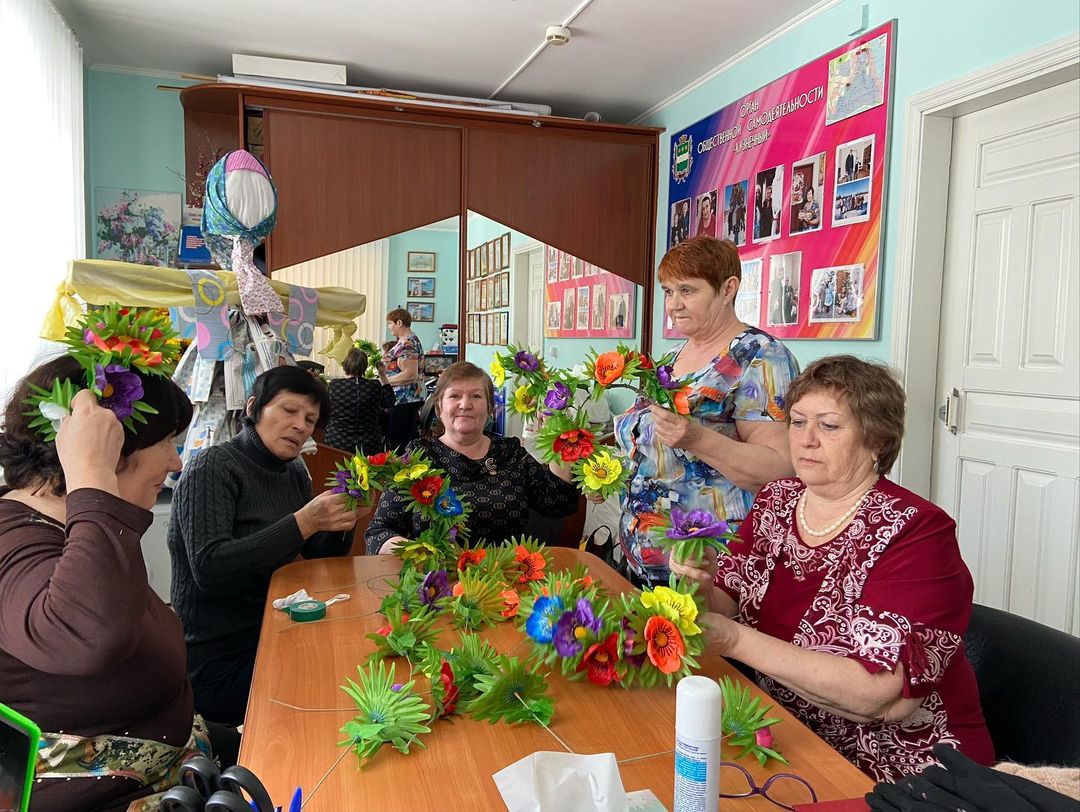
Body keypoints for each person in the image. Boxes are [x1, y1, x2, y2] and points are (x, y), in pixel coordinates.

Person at [672, 356, 994, 783]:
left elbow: (878, 695)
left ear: (876, 439)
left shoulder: (918, 532)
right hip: (789, 735)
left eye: (828, 426)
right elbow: (726, 601)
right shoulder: (777, 500)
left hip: (904, 769)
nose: (805, 440)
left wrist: (732, 639)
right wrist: (698, 582)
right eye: (798, 422)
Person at [0, 355, 235, 811]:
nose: (175, 460)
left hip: (181, 765)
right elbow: (86, 634)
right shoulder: (13, 541)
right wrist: (91, 476)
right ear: (114, 446)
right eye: (167, 441)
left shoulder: (76, 526)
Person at [168, 366, 359, 726]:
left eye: (310, 419)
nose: (301, 426)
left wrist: (339, 523)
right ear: (254, 407)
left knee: (353, 656)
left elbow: (315, 558)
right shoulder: (213, 467)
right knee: (332, 689)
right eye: (289, 410)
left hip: (274, 634)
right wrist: (305, 521)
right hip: (216, 661)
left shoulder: (294, 473)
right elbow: (210, 567)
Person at [614, 236, 799, 585]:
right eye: (669, 292)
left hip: (708, 570)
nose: (673, 305)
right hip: (643, 564)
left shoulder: (759, 356)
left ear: (728, 289)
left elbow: (781, 470)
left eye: (688, 290)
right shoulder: (671, 361)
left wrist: (697, 438)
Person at [366, 361, 578, 553]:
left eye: (476, 396)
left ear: (490, 408)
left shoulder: (511, 454)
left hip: (507, 579)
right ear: (439, 407)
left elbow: (558, 502)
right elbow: (379, 533)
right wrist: (418, 553)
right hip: (437, 583)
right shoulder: (417, 457)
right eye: (455, 396)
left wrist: (560, 437)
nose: (465, 404)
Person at [324, 347, 395, 454]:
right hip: (369, 444)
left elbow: (325, 409)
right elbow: (390, 401)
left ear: (346, 364)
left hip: (337, 442)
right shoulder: (374, 386)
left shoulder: (335, 385)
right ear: (365, 366)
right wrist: (382, 375)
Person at [384, 308, 426, 452]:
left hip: (405, 399)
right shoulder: (403, 341)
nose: (389, 327)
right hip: (403, 399)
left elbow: (410, 374)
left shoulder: (408, 343)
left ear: (399, 323)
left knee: (399, 444)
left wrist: (383, 382)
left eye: (390, 323)